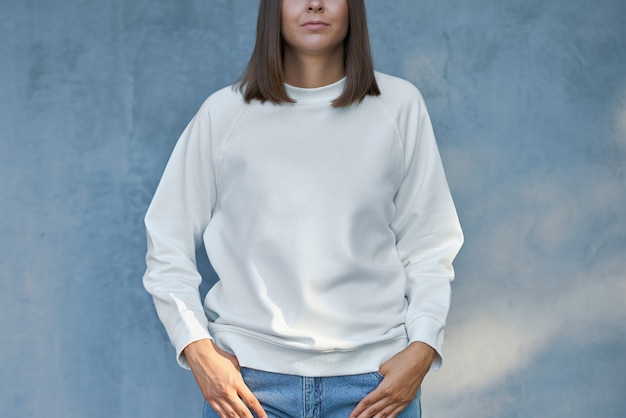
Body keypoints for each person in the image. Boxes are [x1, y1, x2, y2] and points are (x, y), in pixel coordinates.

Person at [143, 0, 463, 417]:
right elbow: (167, 241)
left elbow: (431, 246)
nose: (315, 3)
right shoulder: (224, 115)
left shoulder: (399, 106)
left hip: (375, 386)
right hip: (251, 390)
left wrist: (423, 345)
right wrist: (197, 349)